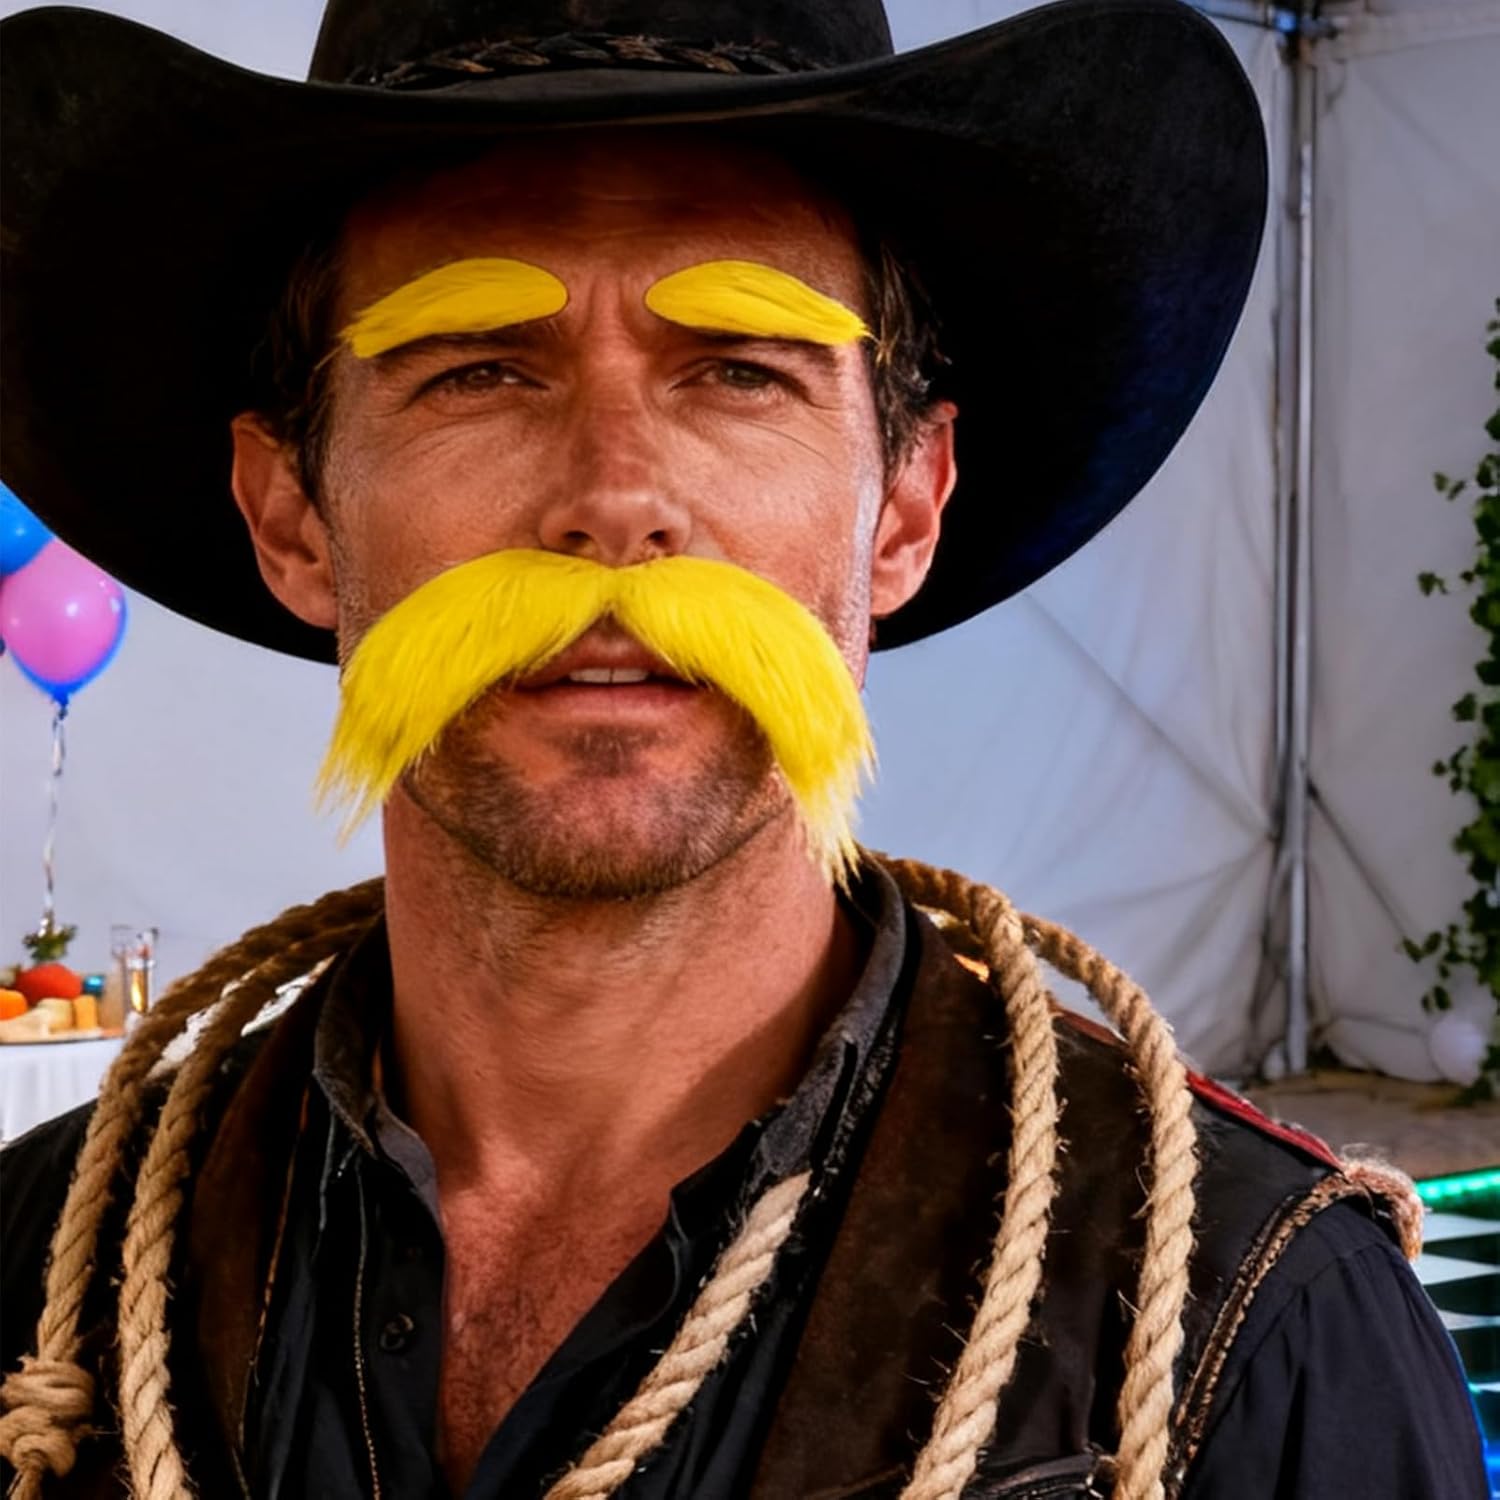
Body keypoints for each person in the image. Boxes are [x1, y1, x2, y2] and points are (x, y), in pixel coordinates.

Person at [0, 0, 1488, 1497]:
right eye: (476, 370)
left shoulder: (1249, 1325)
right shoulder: (45, 1274)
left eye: (739, 370)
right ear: (294, 519)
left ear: (904, 509)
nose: (614, 500)